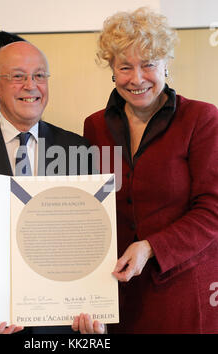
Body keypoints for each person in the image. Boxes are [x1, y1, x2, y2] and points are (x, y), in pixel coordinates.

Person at [0, 41, 104, 334]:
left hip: (59, 326)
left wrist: (96, 310)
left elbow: (91, 239)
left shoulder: (78, 149)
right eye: (17, 76)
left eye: (39, 76)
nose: (31, 86)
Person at [83, 7, 218, 334]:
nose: (137, 78)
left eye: (148, 64)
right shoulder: (94, 126)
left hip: (180, 291)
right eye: (125, 66)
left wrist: (151, 246)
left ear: (166, 64)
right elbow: (89, 207)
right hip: (115, 289)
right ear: (112, 69)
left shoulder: (201, 119)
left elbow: (213, 209)